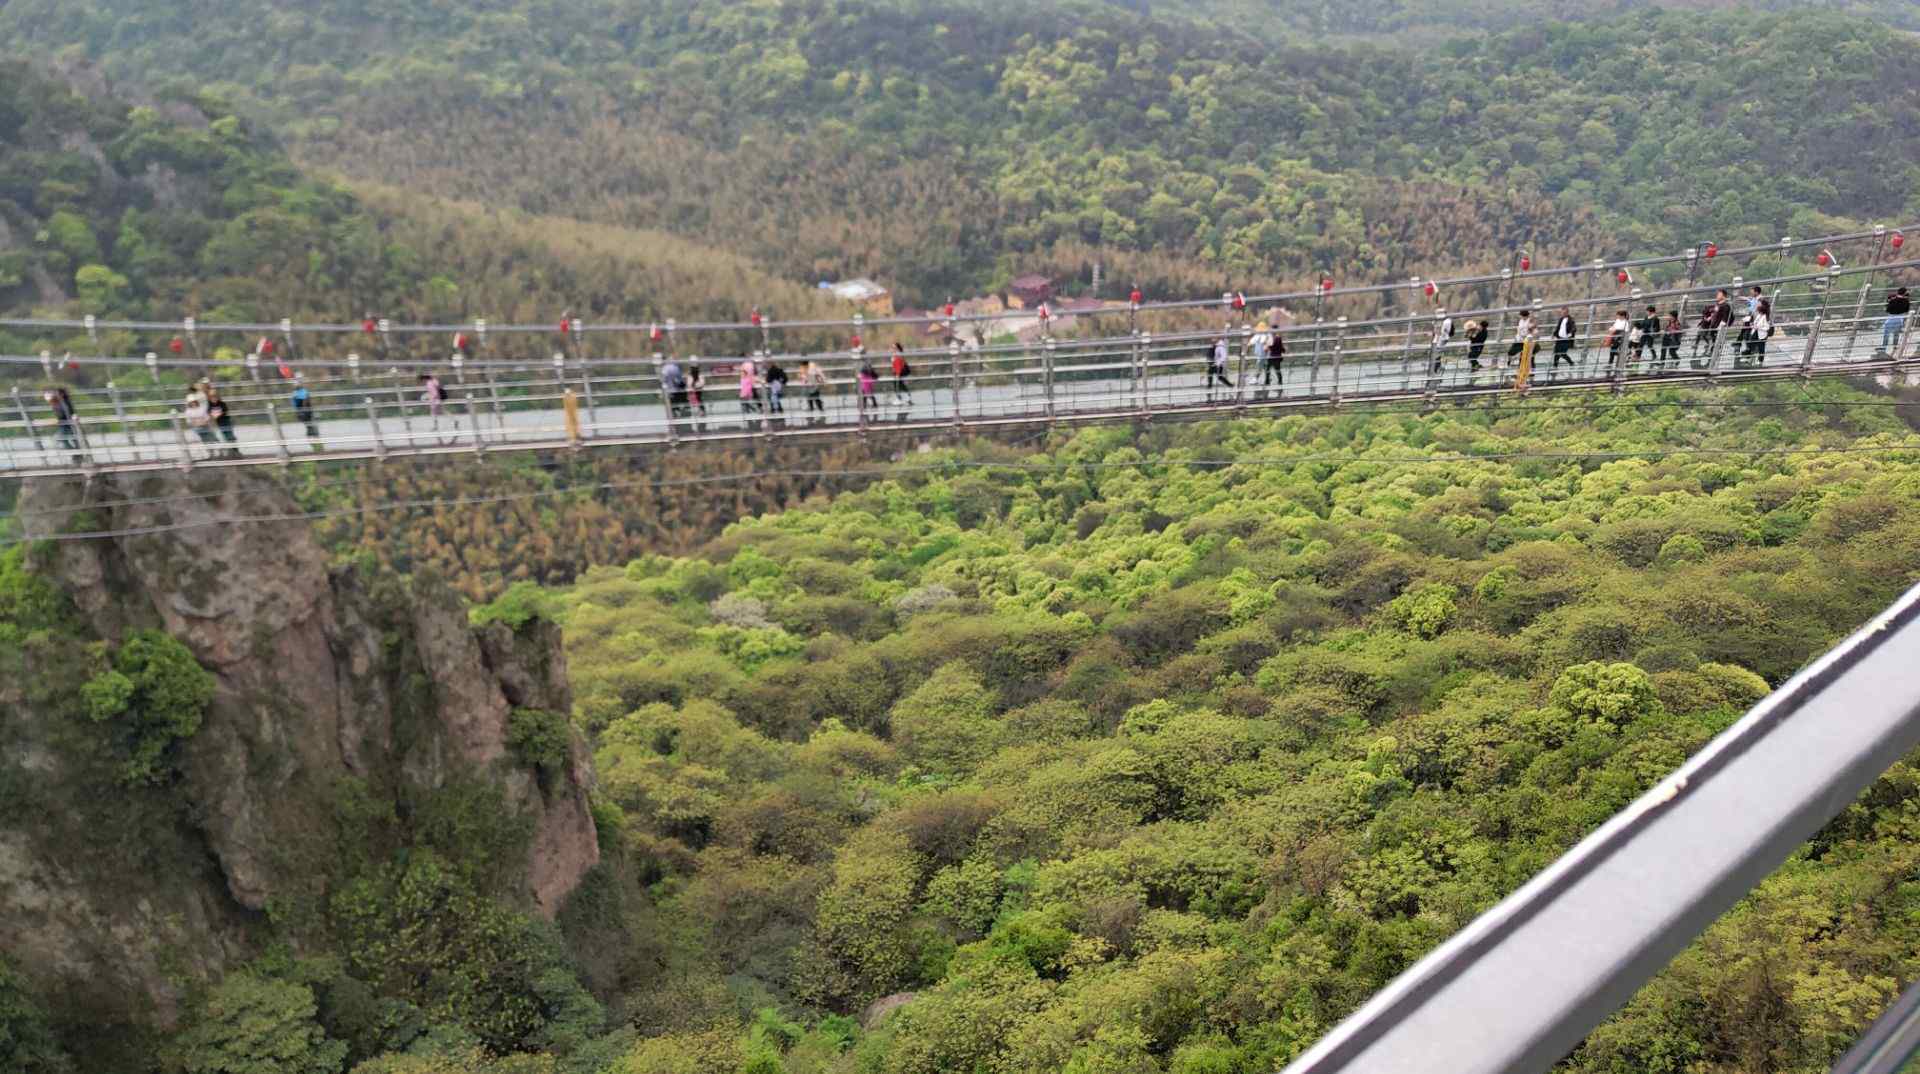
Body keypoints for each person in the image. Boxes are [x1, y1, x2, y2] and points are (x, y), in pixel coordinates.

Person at [43, 387, 79, 460]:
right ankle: (76, 453)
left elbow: (63, 415)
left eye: (58, 393)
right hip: (65, 424)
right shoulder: (59, 403)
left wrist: (55, 421)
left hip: (67, 424)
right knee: (69, 439)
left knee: (61, 438)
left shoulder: (63, 403)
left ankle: (76, 453)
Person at [205, 383, 238, 457]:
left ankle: (235, 450)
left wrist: (219, 414)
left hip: (226, 421)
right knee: (224, 435)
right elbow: (208, 412)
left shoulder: (222, 403)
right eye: (212, 397)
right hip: (219, 423)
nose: (213, 398)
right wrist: (212, 416)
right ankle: (230, 451)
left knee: (230, 436)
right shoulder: (210, 405)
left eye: (215, 397)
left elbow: (225, 411)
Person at [184, 384, 216, 450]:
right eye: (191, 402)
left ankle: (217, 449)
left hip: (205, 424)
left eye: (194, 402)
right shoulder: (188, 411)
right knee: (204, 438)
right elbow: (189, 421)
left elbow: (206, 416)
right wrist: (195, 423)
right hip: (197, 426)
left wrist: (204, 421)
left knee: (211, 437)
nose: (193, 403)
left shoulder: (201, 402)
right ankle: (210, 451)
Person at [1883, 287, 1910, 354]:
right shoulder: (1906, 301)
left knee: (1886, 334)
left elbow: (1887, 310)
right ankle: (1894, 349)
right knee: (1896, 335)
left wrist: (1889, 302)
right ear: (1904, 293)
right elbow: (1906, 310)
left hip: (1890, 319)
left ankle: (1883, 349)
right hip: (1900, 319)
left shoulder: (1893, 300)